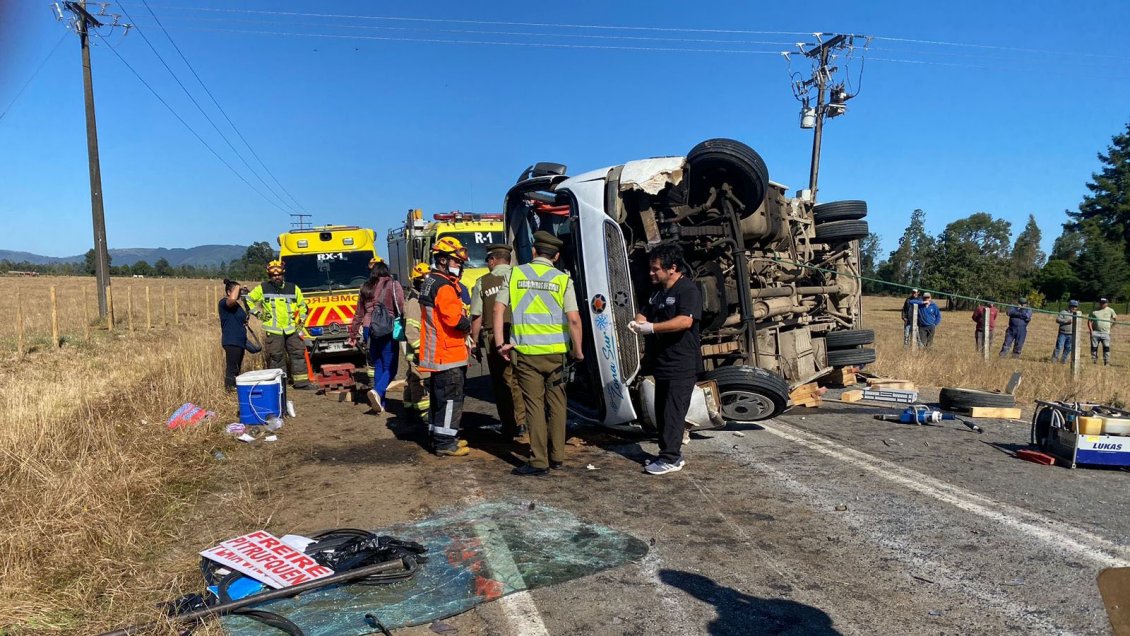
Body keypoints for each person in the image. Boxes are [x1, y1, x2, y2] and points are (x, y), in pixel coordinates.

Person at [494, 231, 584, 477]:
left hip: (526, 353)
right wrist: (578, 351)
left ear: (533, 252)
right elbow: (574, 319)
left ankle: (539, 461)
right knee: (557, 404)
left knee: (534, 405)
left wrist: (502, 343)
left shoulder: (515, 274)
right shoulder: (563, 279)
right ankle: (557, 457)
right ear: (556, 256)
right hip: (556, 354)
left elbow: (499, 308)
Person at [629, 244, 703, 476]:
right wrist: (638, 322)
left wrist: (652, 328)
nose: (651, 273)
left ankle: (671, 458)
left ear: (672, 268)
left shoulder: (687, 290)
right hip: (662, 361)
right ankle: (667, 453)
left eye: (656, 269)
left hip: (681, 363)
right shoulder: (658, 292)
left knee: (673, 412)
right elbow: (645, 312)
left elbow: (685, 321)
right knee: (661, 411)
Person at [419, 237, 473, 456]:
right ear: (442, 260)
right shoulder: (443, 286)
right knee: (451, 399)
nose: (458, 266)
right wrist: (470, 324)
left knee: (439, 399)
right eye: (455, 262)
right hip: (448, 353)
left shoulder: (430, 281)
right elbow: (454, 320)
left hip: (438, 353)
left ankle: (438, 436)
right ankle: (445, 443)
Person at [470, 244, 527, 440]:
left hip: (495, 337)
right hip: (522, 335)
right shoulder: (523, 276)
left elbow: (477, 316)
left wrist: (475, 341)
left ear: (492, 260)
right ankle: (523, 421)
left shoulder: (483, 282)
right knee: (520, 379)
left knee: (502, 382)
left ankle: (510, 425)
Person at [348, 261, 404, 413]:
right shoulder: (393, 284)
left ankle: (381, 403)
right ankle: (378, 392)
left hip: (368, 329)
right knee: (391, 367)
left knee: (378, 364)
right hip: (386, 327)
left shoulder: (365, 287)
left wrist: (353, 334)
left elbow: (359, 313)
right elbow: (401, 305)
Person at [247, 260, 311, 389]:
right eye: (273, 275)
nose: (276, 277)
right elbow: (248, 299)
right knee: (276, 357)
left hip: (292, 328)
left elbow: (303, 305)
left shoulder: (293, 288)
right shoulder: (263, 288)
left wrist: (301, 322)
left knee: (298, 354)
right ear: (269, 276)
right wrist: (259, 315)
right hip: (274, 330)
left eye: (279, 274)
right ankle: (280, 384)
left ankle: (301, 382)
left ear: (283, 274)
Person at [402, 263, 432, 427]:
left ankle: (410, 408)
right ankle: (424, 414)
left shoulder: (418, 297)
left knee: (412, 379)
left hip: (416, 349)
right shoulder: (415, 301)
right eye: (426, 279)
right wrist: (421, 349)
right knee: (420, 380)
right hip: (418, 350)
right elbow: (411, 330)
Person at [218, 279, 249, 390]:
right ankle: (229, 388)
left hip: (239, 341)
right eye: (237, 291)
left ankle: (235, 387)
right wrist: (237, 287)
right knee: (232, 367)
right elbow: (231, 300)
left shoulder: (237, 306)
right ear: (228, 292)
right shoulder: (224, 303)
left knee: (237, 367)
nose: (239, 293)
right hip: (231, 340)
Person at [1089, 297, 1119, 366]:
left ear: (1107, 303)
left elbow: (1115, 320)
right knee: (1094, 348)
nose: (1102, 304)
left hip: (1106, 333)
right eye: (1101, 303)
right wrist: (1091, 331)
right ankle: (1094, 362)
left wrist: (1110, 328)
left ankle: (1106, 362)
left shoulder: (1111, 310)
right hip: (1095, 332)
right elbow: (1089, 321)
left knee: (1106, 348)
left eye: (1104, 303)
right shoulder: (1094, 310)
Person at [1052, 300, 1080, 364]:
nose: (1074, 308)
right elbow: (1057, 319)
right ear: (1069, 306)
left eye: (1075, 307)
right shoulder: (1063, 312)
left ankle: (1063, 361)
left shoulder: (1077, 314)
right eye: (1073, 306)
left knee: (1068, 348)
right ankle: (1054, 360)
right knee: (1059, 347)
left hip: (1072, 334)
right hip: (1063, 333)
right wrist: (1066, 321)